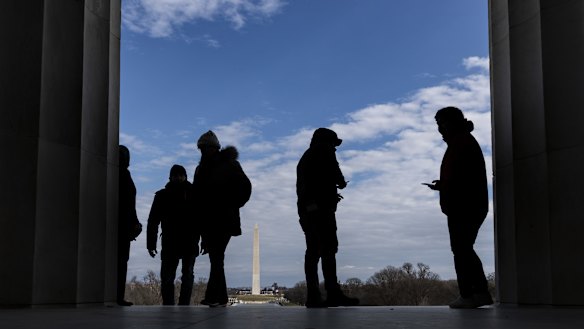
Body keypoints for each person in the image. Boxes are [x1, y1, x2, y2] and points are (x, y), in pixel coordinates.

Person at [424, 107, 493, 309]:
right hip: (467, 204)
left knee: (461, 250)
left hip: (464, 206)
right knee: (464, 249)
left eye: (441, 122)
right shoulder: (461, 141)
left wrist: (445, 186)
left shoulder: (460, 142)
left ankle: (469, 294)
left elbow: (462, 178)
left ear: (452, 122)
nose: (439, 128)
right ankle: (479, 293)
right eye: (437, 123)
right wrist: (443, 184)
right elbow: (461, 176)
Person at [296, 128, 359, 308]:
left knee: (314, 251)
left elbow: (310, 184)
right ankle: (332, 294)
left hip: (308, 210)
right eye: (334, 143)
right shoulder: (324, 152)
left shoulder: (306, 157)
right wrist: (340, 183)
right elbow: (336, 176)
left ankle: (315, 295)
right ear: (326, 142)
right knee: (328, 250)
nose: (335, 148)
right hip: (320, 210)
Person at [191, 131, 252, 307]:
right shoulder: (201, 169)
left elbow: (245, 188)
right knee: (217, 258)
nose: (203, 152)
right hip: (208, 220)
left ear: (214, 148)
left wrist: (231, 204)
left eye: (206, 148)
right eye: (201, 149)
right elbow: (197, 198)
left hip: (224, 218)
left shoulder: (230, 165)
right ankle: (221, 297)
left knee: (217, 257)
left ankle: (213, 296)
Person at [147, 164, 200, 305]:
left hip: (189, 241)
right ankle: (169, 305)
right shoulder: (162, 196)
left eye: (180, 175)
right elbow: (153, 221)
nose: (178, 177)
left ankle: (184, 305)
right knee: (167, 277)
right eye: (175, 175)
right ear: (170, 177)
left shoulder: (194, 194)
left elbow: (202, 219)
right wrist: (151, 244)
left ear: (185, 176)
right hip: (171, 242)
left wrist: (205, 241)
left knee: (187, 275)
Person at [118, 145, 143, 306]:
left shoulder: (122, 175)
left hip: (123, 224)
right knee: (120, 260)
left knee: (121, 260)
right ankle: (117, 295)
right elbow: (128, 204)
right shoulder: (124, 176)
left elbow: (129, 204)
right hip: (121, 224)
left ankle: (116, 295)